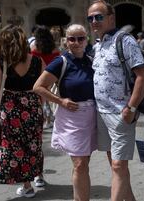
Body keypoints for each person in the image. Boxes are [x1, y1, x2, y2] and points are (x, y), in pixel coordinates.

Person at [88, 0, 144, 201]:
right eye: (91, 18)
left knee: (118, 165)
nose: (94, 21)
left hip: (120, 113)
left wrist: (131, 107)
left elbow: (143, 76)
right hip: (101, 113)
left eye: (99, 16)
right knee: (116, 165)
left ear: (111, 18)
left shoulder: (125, 40)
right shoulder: (98, 44)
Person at [33, 24, 97, 201]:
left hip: (91, 116)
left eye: (80, 38)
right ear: (66, 41)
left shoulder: (92, 60)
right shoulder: (61, 61)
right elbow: (38, 87)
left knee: (84, 164)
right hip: (71, 118)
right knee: (79, 164)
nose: (76, 42)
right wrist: (61, 101)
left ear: (86, 40)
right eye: (72, 39)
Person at [0, 25, 46, 198]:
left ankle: (27, 186)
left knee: (15, 147)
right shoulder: (37, 61)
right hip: (33, 108)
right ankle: (39, 176)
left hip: (11, 111)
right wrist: (38, 104)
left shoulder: (1, 63)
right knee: (34, 144)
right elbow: (44, 87)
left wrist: (3, 105)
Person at [31, 25, 61, 130]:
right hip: (54, 76)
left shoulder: (35, 47)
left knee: (43, 99)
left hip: (40, 76)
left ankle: (46, 119)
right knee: (53, 98)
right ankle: (54, 118)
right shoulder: (55, 47)